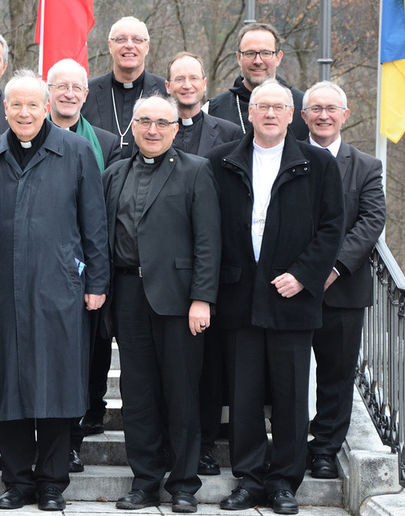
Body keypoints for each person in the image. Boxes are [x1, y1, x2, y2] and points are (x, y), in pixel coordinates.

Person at [0, 70, 109, 511]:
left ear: (46, 106)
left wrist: (97, 282)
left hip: (60, 288)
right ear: (5, 109)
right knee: (8, 385)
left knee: (57, 384)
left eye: (33, 104)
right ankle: (18, 482)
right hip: (2, 290)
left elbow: (94, 224)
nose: (25, 112)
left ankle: (51, 483)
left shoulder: (76, 152)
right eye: (17, 105)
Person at [207, 79, 344, 515]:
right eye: (262, 106)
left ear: (292, 115)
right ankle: (248, 479)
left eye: (278, 107)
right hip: (239, 296)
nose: (269, 114)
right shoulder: (221, 161)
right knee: (244, 396)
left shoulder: (319, 163)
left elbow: (331, 228)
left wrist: (303, 276)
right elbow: (210, 228)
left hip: (292, 299)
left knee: (289, 397)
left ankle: (284, 481)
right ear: (248, 113)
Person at [103, 95, 220, 513]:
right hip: (128, 296)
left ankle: (184, 484)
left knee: (182, 392)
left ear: (175, 128)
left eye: (162, 123)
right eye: (145, 121)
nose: (152, 130)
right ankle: (145, 481)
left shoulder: (196, 171)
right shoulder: (114, 173)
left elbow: (209, 241)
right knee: (137, 395)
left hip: (179, 300)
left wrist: (202, 298)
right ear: (133, 126)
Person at [301, 81, 385, 479]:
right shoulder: (288, 158)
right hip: (291, 288)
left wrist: (330, 268)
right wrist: (304, 272)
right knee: (287, 373)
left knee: (336, 376)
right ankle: (288, 445)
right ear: (303, 116)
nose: (323, 115)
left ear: (345, 115)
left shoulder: (367, 166)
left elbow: (371, 222)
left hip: (344, 289)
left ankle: (324, 449)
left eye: (331, 108)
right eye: (315, 108)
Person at [165, 51, 242, 477]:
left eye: (194, 78)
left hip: (213, 266)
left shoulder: (230, 132)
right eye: (179, 79)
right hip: (164, 270)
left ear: (205, 83)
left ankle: (206, 444)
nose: (187, 85)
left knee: (209, 366)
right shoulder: (156, 128)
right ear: (169, 85)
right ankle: (167, 443)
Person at [48, 57, 120, 470]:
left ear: (85, 94)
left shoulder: (107, 143)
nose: (70, 93)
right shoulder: (17, 133)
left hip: (85, 268)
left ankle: (72, 436)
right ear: (49, 91)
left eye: (77, 87)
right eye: (61, 86)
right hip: (36, 269)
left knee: (85, 356)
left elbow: (105, 210)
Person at [80, 16, 167, 158]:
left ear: (147, 47)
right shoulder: (86, 92)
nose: (129, 45)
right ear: (110, 45)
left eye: (137, 39)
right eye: (121, 39)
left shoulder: (166, 92)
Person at [204, 23, 308, 140]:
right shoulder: (212, 110)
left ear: (278, 57)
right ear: (239, 58)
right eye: (250, 54)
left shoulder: (304, 107)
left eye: (266, 53)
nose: (258, 61)